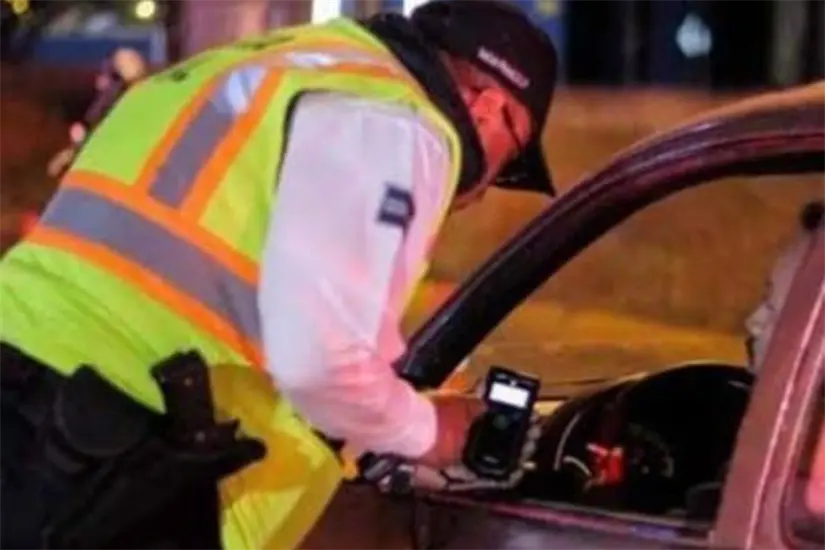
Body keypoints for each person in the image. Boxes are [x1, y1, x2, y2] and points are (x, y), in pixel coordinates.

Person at [0, 0, 558, 548]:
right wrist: (430, 433)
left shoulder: (262, 69)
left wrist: (378, 432)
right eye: (509, 162)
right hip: (97, 447)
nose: (482, 194)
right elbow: (318, 362)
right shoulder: (398, 122)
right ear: (488, 107)